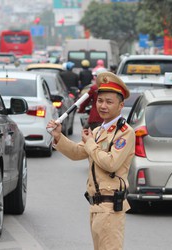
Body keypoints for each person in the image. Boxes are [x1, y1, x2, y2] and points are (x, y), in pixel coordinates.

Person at [46, 71, 135, 250]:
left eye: (109, 102)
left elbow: (111, 163)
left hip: (110, 207)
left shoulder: (125, 132)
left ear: (121, 105)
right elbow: (78, 152)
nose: (103, 106)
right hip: (96, 206)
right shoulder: (100, 131)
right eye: (100, 101)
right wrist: (58, 136)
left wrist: (91, 143)